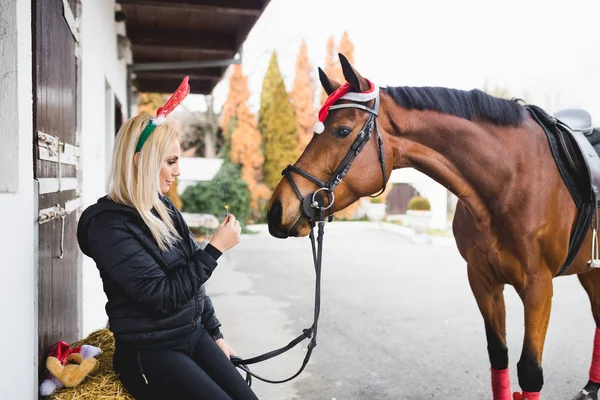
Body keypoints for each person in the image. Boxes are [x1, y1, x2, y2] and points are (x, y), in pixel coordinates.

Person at [77, 78, 259, 400]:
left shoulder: (162, 208)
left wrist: (216, 335)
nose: (177, 172)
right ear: (140, 162)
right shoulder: (107, 226)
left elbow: (193, 284)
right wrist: (214, 249)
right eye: (170, 161)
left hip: (193, 334)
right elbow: (161, 296)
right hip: (151, 350)